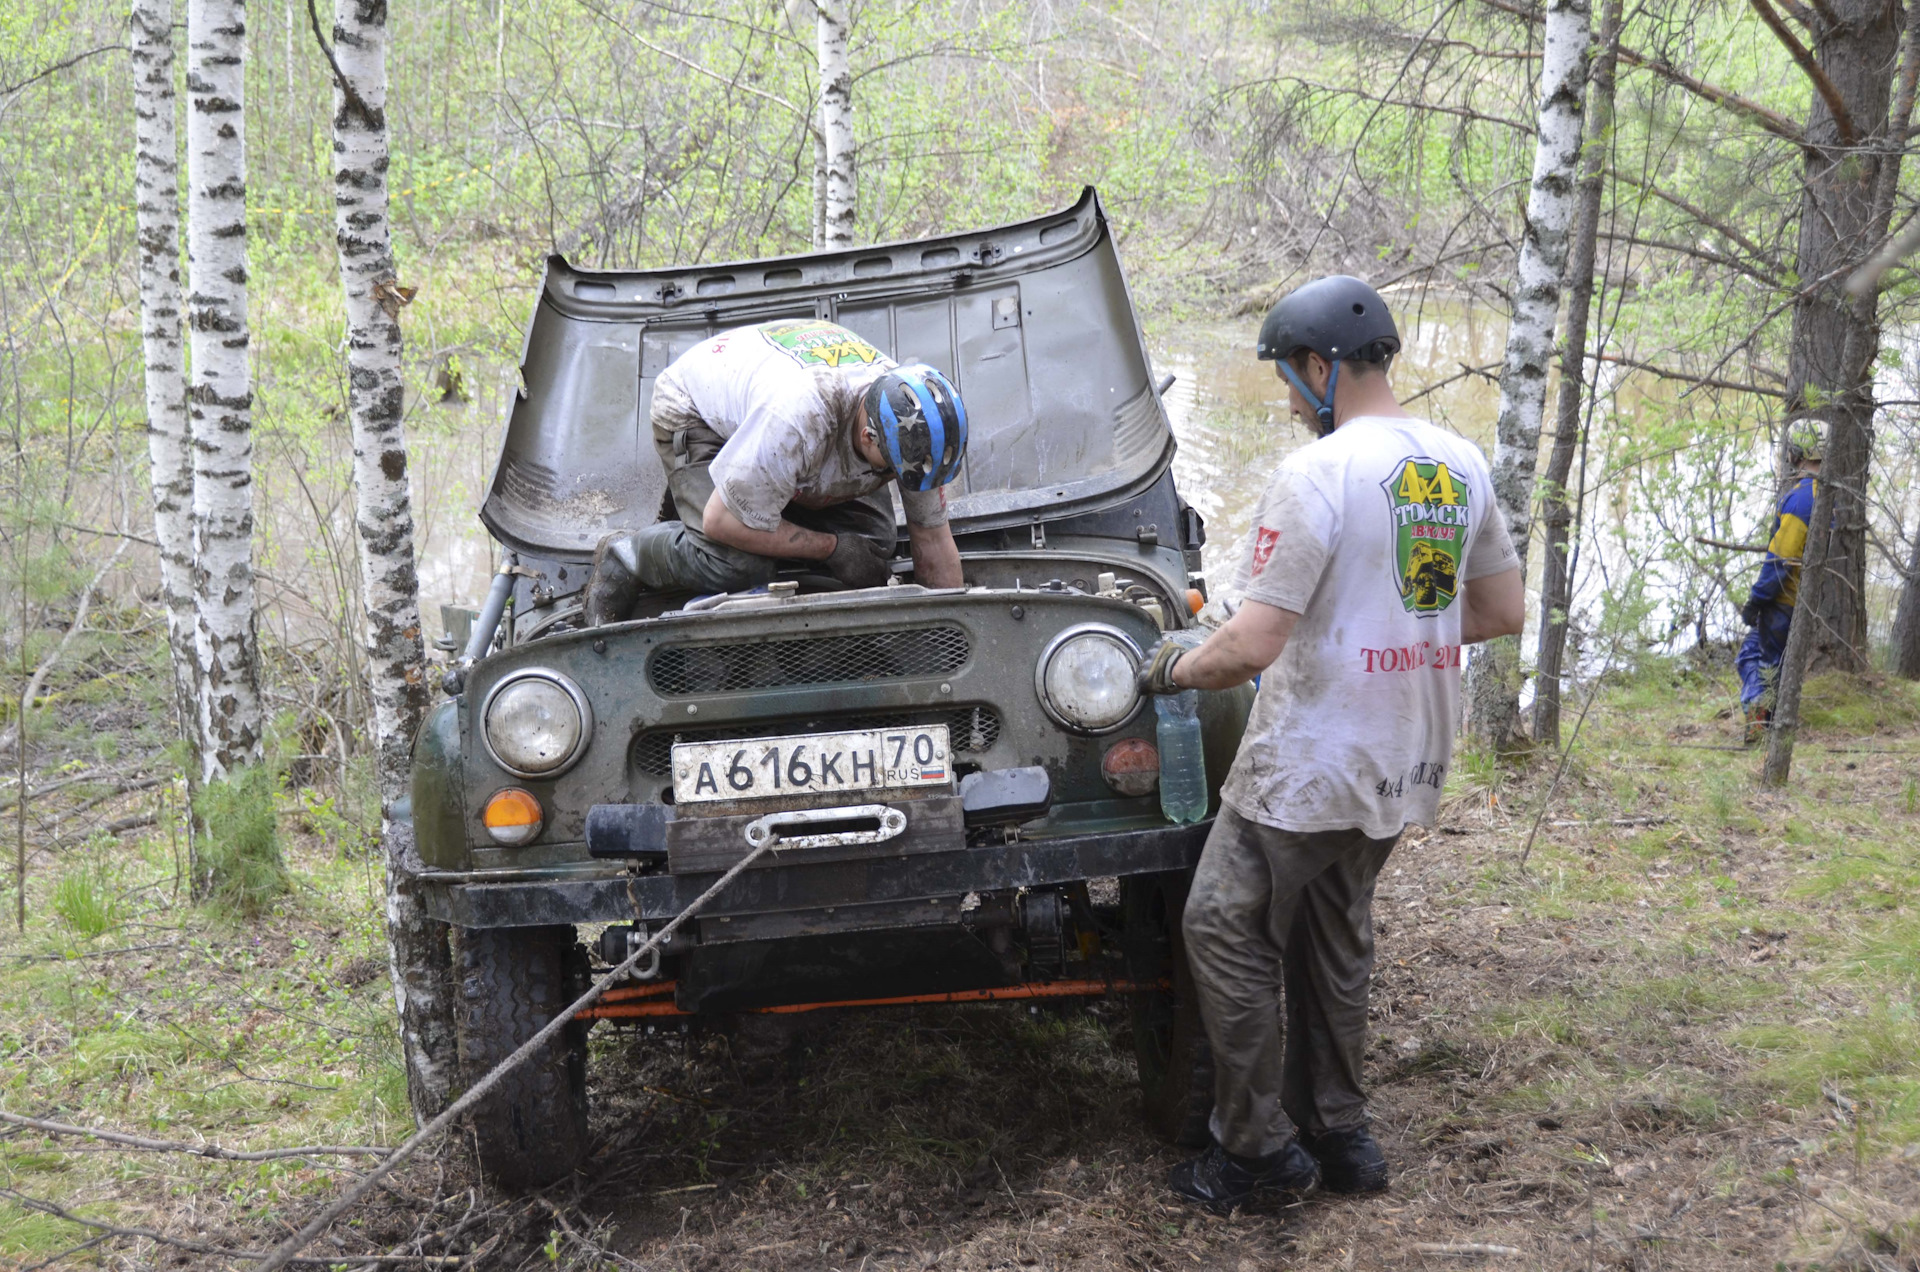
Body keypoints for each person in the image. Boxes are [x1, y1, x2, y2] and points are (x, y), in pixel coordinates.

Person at [1135, 276, 1526, 1213]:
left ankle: (1258, 1156)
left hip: (1315, 755)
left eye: (1286, 380)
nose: (1287, 399)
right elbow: (1502, 610)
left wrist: (1174, 671)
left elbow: (1254, 645)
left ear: (1319, 367)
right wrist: (1390, 623)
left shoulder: (1319, 472)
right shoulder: (1460, 461)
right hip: (1411, 750)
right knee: (1334, 926)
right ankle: (1342, 1135)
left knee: (1223, 925)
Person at [584, 318, 968, 624]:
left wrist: (948, 633)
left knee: (874, 543)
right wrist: (831, 548)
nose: (899, 479)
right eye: (894, 471)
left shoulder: (915, 423)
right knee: (736, 563)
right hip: (696, 409)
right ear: (869, 437)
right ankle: (627, 553)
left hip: (780, 420)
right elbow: (722, 523)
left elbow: (932, 538)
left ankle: (768, 498)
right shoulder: (800, 419)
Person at [1736, 439, 1820, 744]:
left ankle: (1759, 730)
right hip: (1796, 599)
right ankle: (1768, 727)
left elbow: (1781, 559)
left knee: (1757, 660)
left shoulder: (1801, 500)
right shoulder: (1821, 495)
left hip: (1781, 598)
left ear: (1798, 454)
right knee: (1769, 663)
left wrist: (1757, 599)